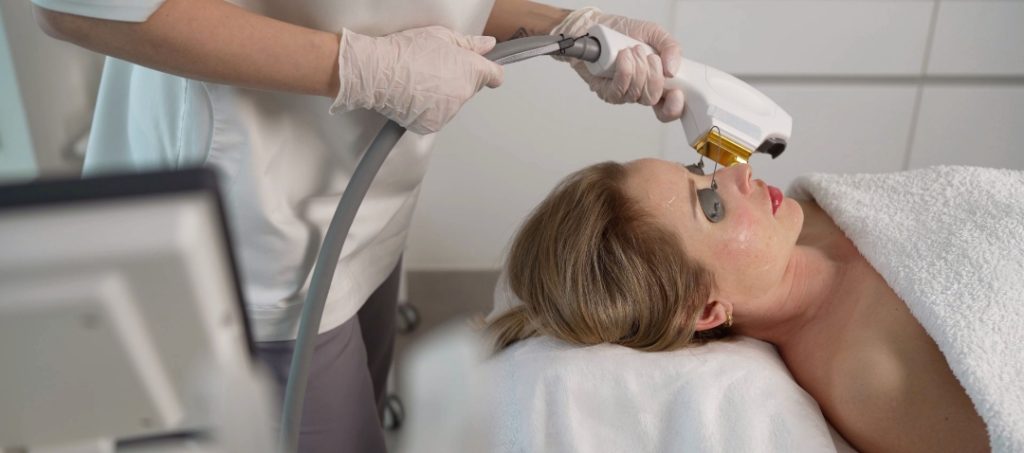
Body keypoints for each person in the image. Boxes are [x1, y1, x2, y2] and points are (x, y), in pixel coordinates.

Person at [31, 0, 685, 451]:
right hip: (252, 226)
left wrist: (570, 26)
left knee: (364, 397)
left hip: (366, 192)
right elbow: (76, 8)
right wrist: (359, 68)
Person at [487, 159, 990, 453]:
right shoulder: (872, 379)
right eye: (712, 206)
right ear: (704, 310)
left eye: (700, 173)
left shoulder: (812, 217)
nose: (740, 173)